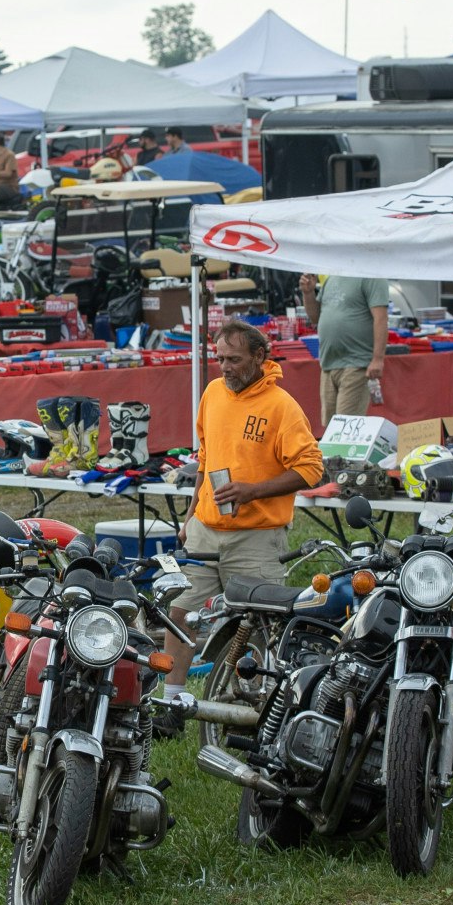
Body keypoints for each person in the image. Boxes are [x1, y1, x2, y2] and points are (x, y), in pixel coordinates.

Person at [167, 320, 325, 693]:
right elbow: (205, 461)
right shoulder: (212, 394)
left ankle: (254, 702)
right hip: (205, 531)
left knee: (257, 625)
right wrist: (190, 519)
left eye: (234, 359)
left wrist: (252, 492)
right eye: (220, 358)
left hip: (257, 537)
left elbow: (312, 469)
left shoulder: (282, 406)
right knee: (180, 614)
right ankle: (172, 702)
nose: (225, 367)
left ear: (259, 356)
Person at [301, 271, 396, 423]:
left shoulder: (371, 275)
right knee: (332, 428)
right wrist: (308, 293)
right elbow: (315, 317)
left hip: (356, 363)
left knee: (347, 427)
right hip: (328, 364)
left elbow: (381, 318)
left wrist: (378, 359)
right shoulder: (332, 277)